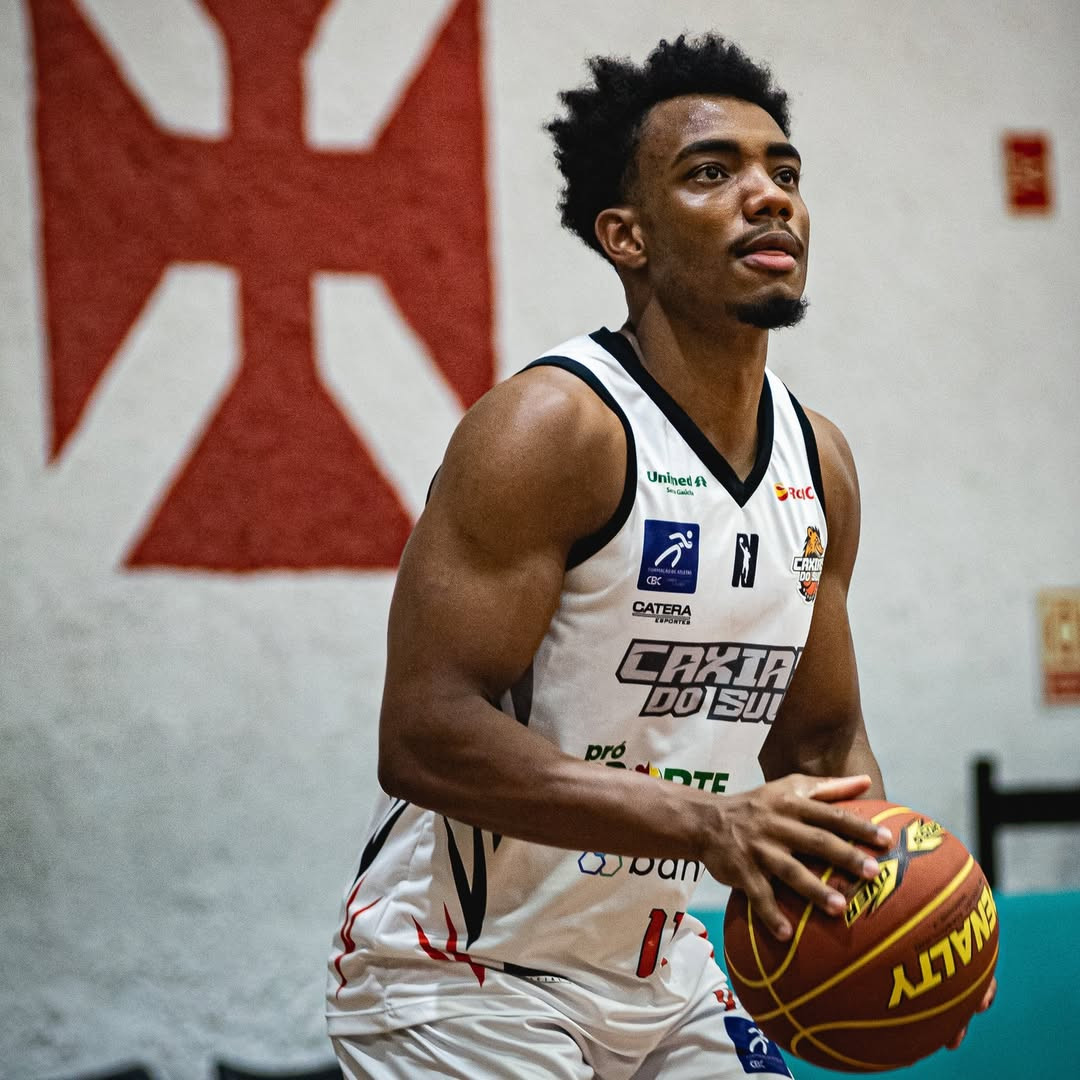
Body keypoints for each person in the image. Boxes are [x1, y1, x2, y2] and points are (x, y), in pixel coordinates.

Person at [326, 33, 989, 1078]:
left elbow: (822, 751)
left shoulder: (818, 463)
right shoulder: (551, 428)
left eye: (783, 171)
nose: (767, 196)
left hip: (664, 972)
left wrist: (904, 933)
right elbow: (425, 736)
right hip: (459, 978)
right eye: (711, 173)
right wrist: (706, 823)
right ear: (625, 235)